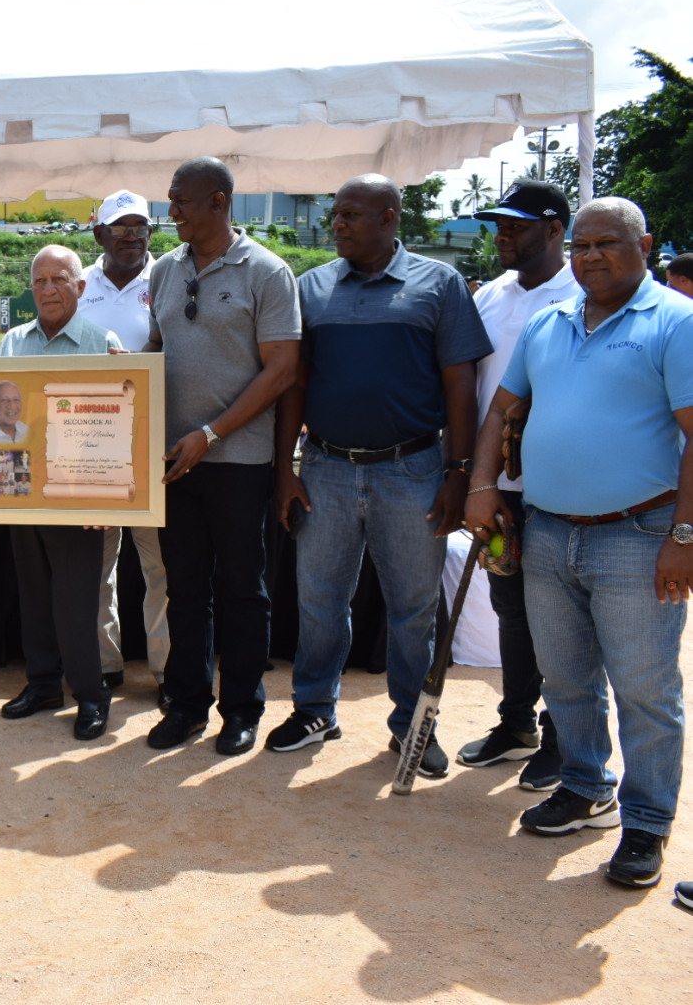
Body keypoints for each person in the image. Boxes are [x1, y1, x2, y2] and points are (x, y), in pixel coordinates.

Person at [466, 197, 693, 890]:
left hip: (640, 533)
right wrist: (480, 485)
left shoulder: (676, 323)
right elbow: (503, 409)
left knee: (645, 688)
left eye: (608, 243)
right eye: (582, 246)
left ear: (645, 244)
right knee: (566, 677)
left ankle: (647, 823)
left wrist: (685, 534)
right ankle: (585, 783)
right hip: (548, 528)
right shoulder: (548, 322)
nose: (591, 256)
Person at [268, 174, 490, 779]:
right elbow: (296, 383)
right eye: (335, 214)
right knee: (319, 600)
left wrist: (459, 474)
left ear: (390, 217)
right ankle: (315, 709)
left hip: (414, 469)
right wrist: (285, 470)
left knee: (414, 609)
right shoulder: (311, 287)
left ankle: (413, 726)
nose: (337, 224)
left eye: (350, 215)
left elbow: (460, 387)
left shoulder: (439, 284)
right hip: (326, 468)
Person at [142, 158, 301, 756]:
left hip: (239, 463)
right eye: (170, 200)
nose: (171, 211)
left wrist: (209, 434)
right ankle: (185, 706)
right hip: (174, 463)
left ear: (217, 201)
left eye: (180, 201)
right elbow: (155, 350)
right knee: (184, 589)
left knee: (241, 589)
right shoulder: (163, 271)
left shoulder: (267, 272)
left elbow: (282, 368)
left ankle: (241, 709)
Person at [0, 246, 121, 739]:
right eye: (38, 281)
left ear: (80, 287)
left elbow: (119, 424)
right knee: (35, 594)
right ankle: (42, 685)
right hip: (19, 489)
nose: (46, 289)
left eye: (58, 279)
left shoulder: (102, 343)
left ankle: (90, 695)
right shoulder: (13, 342)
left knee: (78, 603)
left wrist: (108, 500)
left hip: (79, 496)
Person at [453, 180, 580, 786]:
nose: (502, 235)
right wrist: (477, 478)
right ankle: (516, 723)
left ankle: (563, 737)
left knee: (566, 619)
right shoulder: (492, 296)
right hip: (496, 488)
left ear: (555, 230)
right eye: (498, 225)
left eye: (517, 225)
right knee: (511, 609)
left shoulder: (585, 292)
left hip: (561, 491)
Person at [77, 189, 170, 695]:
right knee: (98, 564)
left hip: (153, 443)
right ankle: (104, 664)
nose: (131, 236)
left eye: (140, 227)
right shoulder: (78, 283)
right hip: (90, 443)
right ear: (99, 234)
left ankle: (165, 667)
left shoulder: (171, 277)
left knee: (160, 565)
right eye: (120, 227)